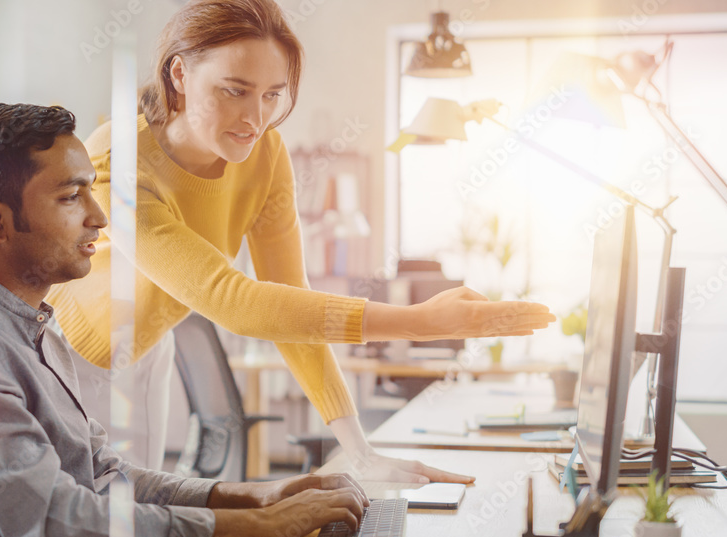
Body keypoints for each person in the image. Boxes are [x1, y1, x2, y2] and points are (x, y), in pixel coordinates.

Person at [46, 0, 555, 478]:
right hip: (65, 359)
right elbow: (232, 301)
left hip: (144, 350)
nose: (255, 118)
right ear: (179, 74)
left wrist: (360, 451)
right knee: (91, 530)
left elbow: (291, 299)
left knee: (136, 526)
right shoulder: (118, 160)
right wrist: (420, 323)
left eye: (272, 95)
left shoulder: (265, 155)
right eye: (234, 90)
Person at [0, 103, 373, 537]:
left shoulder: (31, 326)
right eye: (70, 196)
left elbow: (103, 473)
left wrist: (248, 496)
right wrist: (257, 526)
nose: (99, 216)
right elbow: (55, 526)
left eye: (92, 189)